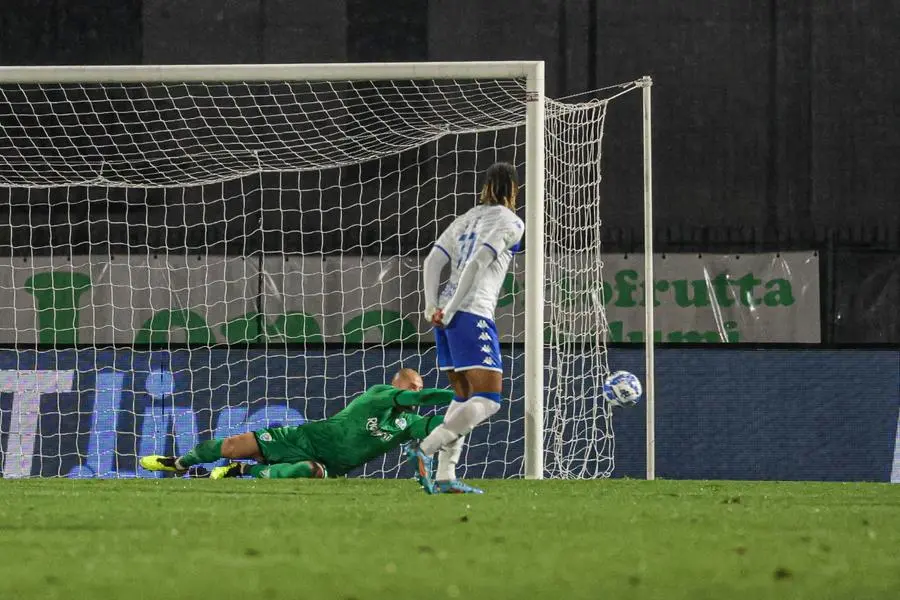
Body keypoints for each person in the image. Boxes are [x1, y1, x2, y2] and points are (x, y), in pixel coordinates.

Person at [413, 161, 525, 494]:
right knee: (488, 399)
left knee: (463, 397)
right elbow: (479, 262)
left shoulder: (465, 218)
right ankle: (426, 449)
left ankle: (446, 476)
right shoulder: (512, 222)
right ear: (514, 189)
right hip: (470, 314)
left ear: (486, 186)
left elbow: (433, 260)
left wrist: (432, 305)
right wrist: (452, 307)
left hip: (445, 318)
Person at [140, 369, 452, 480]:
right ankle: (179, 463)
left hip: (328, 464)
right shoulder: (379, 394)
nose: (415, 391)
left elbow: (436, 424)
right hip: (301, 438)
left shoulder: (408, 424)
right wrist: (455, 391)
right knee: (233, 446)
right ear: (397, 386)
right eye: (411, 385)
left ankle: (246, 471)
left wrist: (468, 409)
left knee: (311, 472)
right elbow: (426, 398)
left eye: (418, 386)